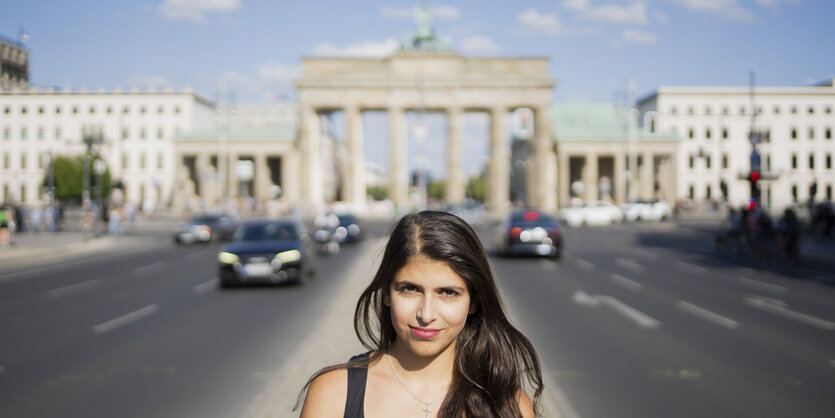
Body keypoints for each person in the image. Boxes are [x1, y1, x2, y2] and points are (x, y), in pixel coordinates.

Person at [298, 211, 543, 417]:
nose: (426, 314)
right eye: (410, 289)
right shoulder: (332, 394)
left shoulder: (508, 406)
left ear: (474, 302)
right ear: (386, 293)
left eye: (448, 292)